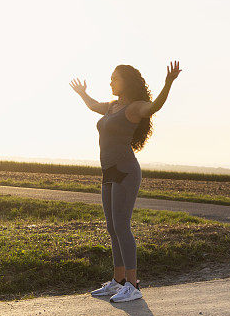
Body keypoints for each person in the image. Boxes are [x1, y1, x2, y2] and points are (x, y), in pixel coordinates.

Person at [70, 61, 181, 303]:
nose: (110, 82)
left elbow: (155, 106)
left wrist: (168, 83)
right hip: (108, 172)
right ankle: (117, 281)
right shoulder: (111, 107)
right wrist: (82, 93)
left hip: (126, 171)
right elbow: (92, 105)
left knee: (122, 226)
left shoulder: (134, 108)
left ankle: (133, 285)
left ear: (126, 82)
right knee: (112, 228)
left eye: (114, 78)